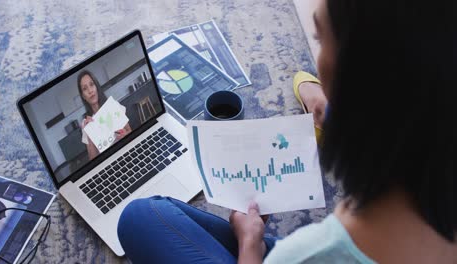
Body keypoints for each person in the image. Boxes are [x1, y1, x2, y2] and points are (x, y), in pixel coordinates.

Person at [117, 0, 457, 263]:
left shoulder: (308, 253)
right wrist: (323, 100)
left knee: (138, 218)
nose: (317, 56)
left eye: (319, 39)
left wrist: (250, 246)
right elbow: (303, 80)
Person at [77, 70, 132, 160]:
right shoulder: (86, 124)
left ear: (96, 86)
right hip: (109, 162)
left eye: (91, 84)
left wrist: (125, 135)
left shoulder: (113, 106)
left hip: (126, 152)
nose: (90, 91)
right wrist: (89, 135)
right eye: (85, 88)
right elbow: (92, 160)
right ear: (83, 96)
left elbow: (130, 130)